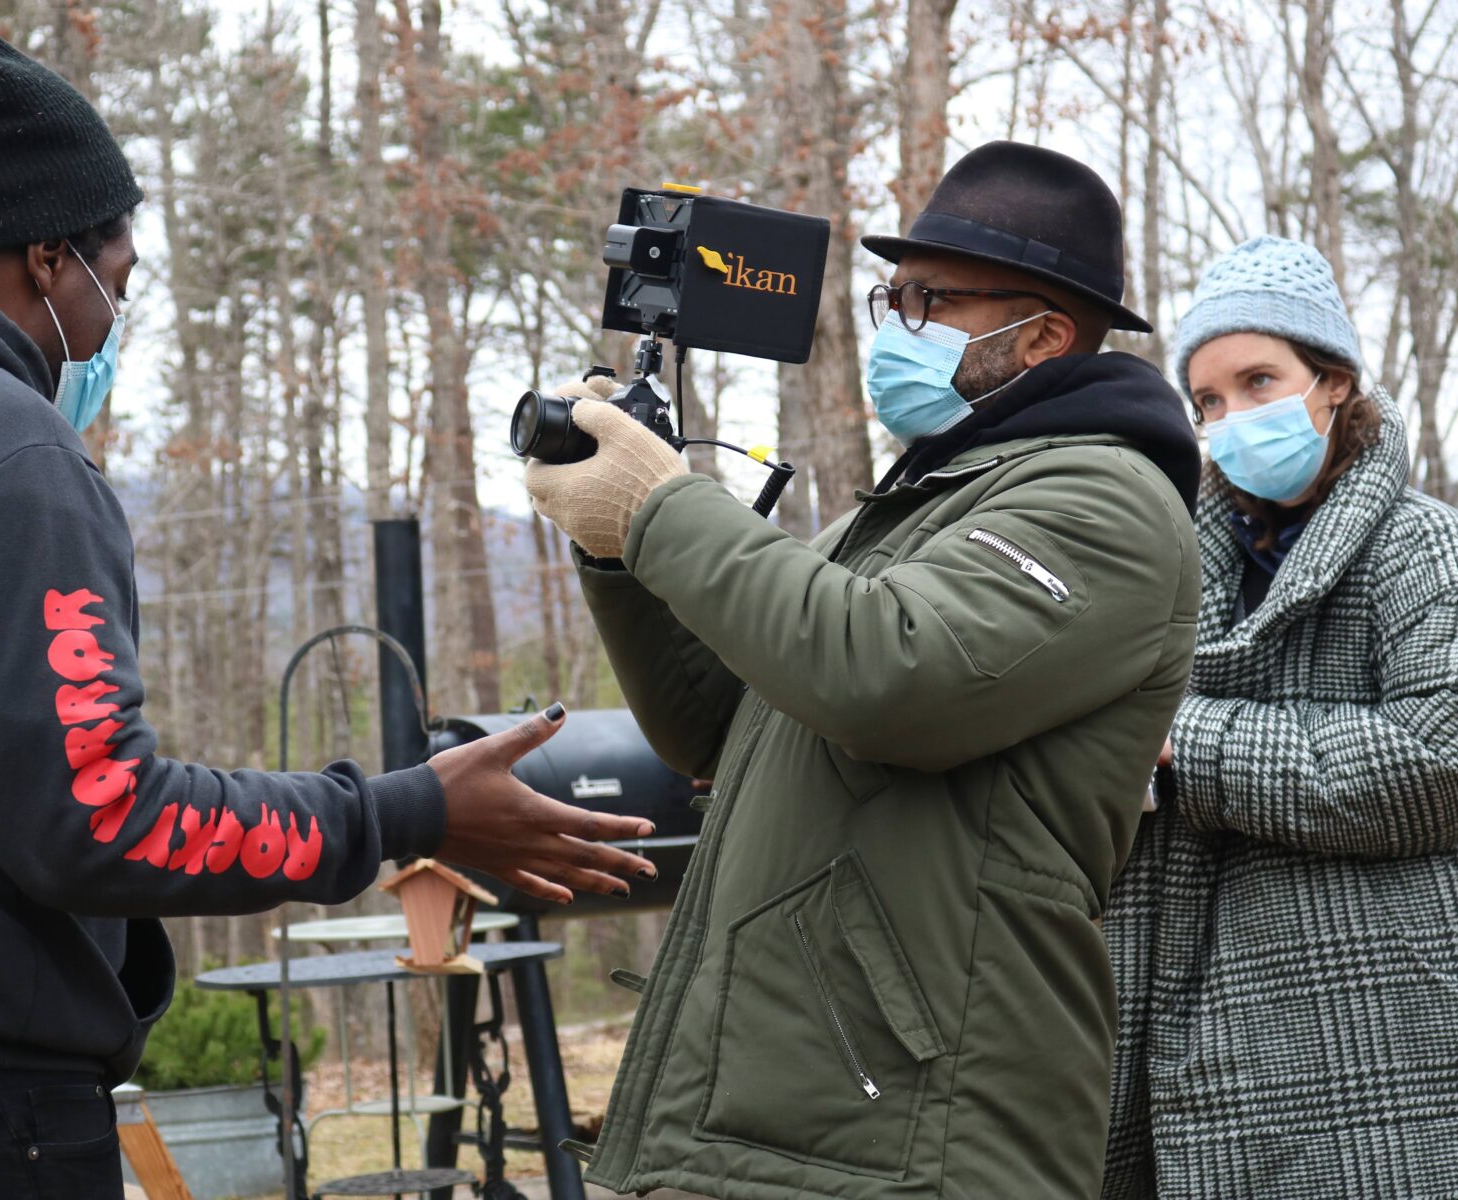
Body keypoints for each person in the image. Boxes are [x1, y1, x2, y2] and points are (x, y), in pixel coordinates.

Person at [0, 15, 657, 1198]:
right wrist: (399, 814)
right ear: (48, 259)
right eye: (115, 280)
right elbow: (100, 818)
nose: (112, 322)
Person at [525, 140, 1201, 1198]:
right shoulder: (919, 505)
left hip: (920, 1127)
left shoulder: (1105, 501)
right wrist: (618, 554)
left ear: (1046, 336)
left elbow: (885, 679)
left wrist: (662, 509)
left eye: (932, 301)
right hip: (791, 1114)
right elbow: (717, 724)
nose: (900, 327)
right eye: (895, 299)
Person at [1101, 236, 1458, 1198]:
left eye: (1260, 381)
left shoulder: (1421, 545)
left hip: (1378, 1024)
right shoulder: (1174, 562)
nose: (1233, 419)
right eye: (1209, 401)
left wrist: (1184, 740)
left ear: (1333, 381)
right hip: (1174, 1008)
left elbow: (1439, 763)